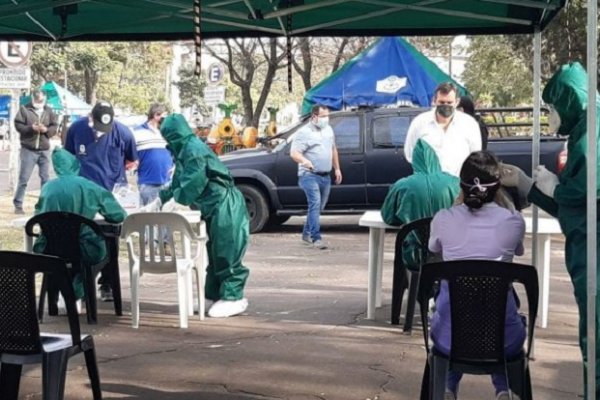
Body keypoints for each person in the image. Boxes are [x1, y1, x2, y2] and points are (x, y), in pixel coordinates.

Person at [500, 62, 600, 399]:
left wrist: (555, 188)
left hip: (592, 251)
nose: (550, 115)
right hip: (586, 245)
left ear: (570, 100)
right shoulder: (585, 128)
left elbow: (583, 192)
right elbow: (572, 205)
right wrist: (531, 186)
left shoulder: (591, 131)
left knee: (596, 336)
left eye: (551, 108)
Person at [429, 151, 526, 400]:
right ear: (498, 185)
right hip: (505, 339)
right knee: (505, 306)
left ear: (460, 184)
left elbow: (434, 249)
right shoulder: (513, 221)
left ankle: (447, 388)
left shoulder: (443, 219)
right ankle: (505, 388)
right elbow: (517, 250)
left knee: (453, 307)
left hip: (449, 339)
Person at [146, 113, 250, 318]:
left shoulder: (194, 150)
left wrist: (178, 200)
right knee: (215, 253)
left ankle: (233, 296)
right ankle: (212, 295)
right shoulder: (184, 151)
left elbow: (194, 179)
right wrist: (160, 200)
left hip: (225, 205)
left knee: (226, 251)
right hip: (213, 208)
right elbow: (178, 181)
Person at [65, 100, 138, 302]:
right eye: (97, 127)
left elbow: (132, 160)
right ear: (90, 118)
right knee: (81, 237)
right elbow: (69, 157)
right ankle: (77, 283)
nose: (101, 132)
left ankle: (107, 284)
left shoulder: (123, 132)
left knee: (111, 239)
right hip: (84, 195)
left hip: (111, 194)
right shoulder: (76, 129)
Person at [33, 148, 127, 303]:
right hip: (83, 248)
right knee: (107, 251)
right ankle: (79, 288)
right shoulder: (89, 186)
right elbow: (117, 215)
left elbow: (39, 214)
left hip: (50, 248)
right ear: (74, 164)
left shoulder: (47, 188)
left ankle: (59, 295)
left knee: (65, 259)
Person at [381, 139, 459, 269]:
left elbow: (388, 217)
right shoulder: (454, 182)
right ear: (436, 159)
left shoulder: (402, 185)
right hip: (448, 256)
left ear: (415, 162)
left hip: (413, 257)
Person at [290, 105, 342, 249]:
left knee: (319, 206)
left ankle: (306, 233)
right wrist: (305, 161)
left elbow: (333, 149)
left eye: (327, 116)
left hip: (325, 175)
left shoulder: (329, 130)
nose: (326, 119)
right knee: (315, 203)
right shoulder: (303, 133)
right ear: (314, 117)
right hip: (309, 175)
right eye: (323, 116)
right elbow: (294, 153)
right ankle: (316, 237)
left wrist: (337, 168)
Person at [404, 82, 481, 177]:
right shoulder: (419, 123)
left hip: (459, 185)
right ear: (434, 100)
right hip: (429, 185)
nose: (445, 105)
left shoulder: (469, 124)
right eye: (442, 102)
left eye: (449, 102)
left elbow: (475, 156)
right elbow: (410, 154)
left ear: (457, 102)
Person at [13, 89, 58, 214]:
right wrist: (31, 128)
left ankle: (44, 205)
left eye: (41, 100)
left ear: (45, 99)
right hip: (28, 149)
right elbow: (18, 125)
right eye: (37, 100)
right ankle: (18, 204)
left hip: (44, 149)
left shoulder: (49, 110)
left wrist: (46, 130)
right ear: (33, 98)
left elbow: (55, 126)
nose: (39, 102)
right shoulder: (24, 109)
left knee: (45, 179)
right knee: (23, 178)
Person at [133, 103, 173, 207]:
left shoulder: (167, 133)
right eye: (163, 116)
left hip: (167, 182)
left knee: (168, 219)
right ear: (156, 115)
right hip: (148, 182)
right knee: (150, 218)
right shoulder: (137, 132)